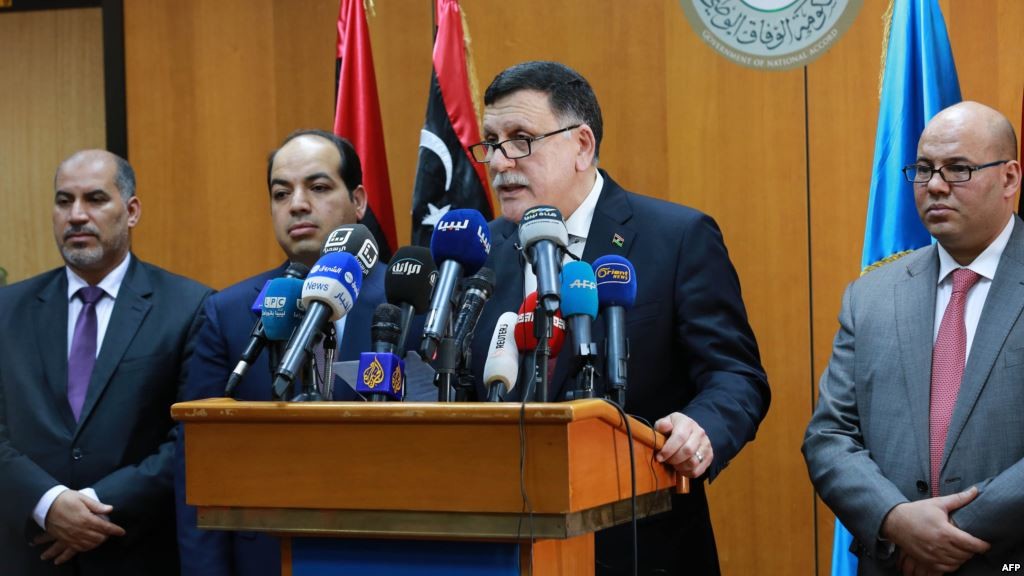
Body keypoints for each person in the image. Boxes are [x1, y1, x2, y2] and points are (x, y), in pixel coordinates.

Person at [467, 61, 771, 575]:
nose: (499, 162)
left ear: (582, 145)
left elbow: (736, 375)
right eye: (491, 142)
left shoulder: (676, 238)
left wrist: (702, 427)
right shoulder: (481, 252)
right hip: (499, 549)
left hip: (640, 548)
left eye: (520, 140)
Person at [803, 101, 1024, 574]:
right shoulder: (870, 297)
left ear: (1009, 178)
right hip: (894, 560)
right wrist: (896, 519)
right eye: (924, 169)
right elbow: (828, 436)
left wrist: (950, 532)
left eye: (959, 169)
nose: (936, 185)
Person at [174, 130, 389, 576]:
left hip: (389, 551)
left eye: (318, 187)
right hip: (266, 557)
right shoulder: (228, 313)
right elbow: (198, 464)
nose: (297, 204)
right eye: (281, 193)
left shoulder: (407, 304)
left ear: (358, 201)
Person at [0, 150, 211, 575]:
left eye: (95, 199)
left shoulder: (189, 307)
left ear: (131, 212)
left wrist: (94, 508)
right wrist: (48, 503)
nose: (77, 215)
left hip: (135, 553)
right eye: (64, 201)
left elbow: (192, 438)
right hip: (30, 554)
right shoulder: (7, 310)